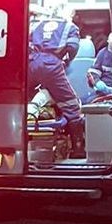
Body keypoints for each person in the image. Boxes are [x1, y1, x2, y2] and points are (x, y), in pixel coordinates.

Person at [29, 11, 85, 157]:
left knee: (25, 99)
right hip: (52, 64)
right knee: (71, 105)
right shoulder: (69, 26)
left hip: (32, 62)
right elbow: (72, 47)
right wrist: (65, 61)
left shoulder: (38, 24)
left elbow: (27, 43)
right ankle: (78, 150)